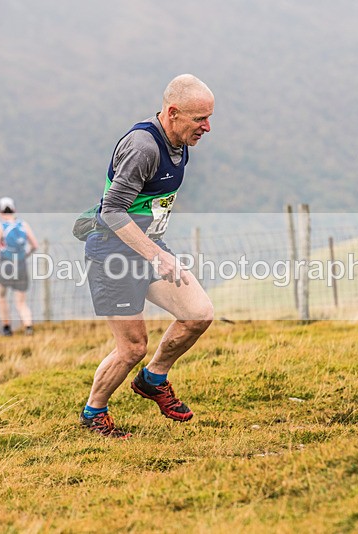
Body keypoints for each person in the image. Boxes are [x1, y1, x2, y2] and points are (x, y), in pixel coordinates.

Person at [80, 74, 215, 438]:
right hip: (113, 253)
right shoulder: (143, 147)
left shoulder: (180, 141)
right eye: (200, 119)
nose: (207, 127)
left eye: (209, 118)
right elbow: (112, 211)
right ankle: (94, 411)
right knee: (131, 347)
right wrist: (157, 254)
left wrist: (154, 250)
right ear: (172, 112)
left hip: (146, 248)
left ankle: (153, 380)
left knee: (198, 314)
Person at [0, 197, 39, 336]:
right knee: (21, 301)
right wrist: (24, 256)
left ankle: (6, 327)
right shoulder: (23, 224)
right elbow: (35, 245)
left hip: (6, 264)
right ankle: (28, 326)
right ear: (14, 209)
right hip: (21, 264)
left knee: (1, 296)